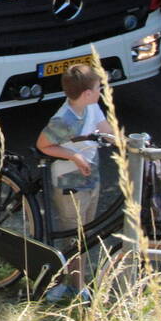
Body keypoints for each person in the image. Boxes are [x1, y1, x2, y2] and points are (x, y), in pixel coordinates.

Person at [35, 64, 114, 303]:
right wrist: (74, 156)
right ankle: (75, 287)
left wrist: (132, 145)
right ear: (88, 93)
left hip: (91, 178)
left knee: (86, 233)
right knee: (75, 237)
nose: (101, 90)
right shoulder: (64, 118)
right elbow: (43, 145)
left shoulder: (92, 107)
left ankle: (75, 282)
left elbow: (108, 132)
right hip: (69, 182)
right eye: (98, 87)